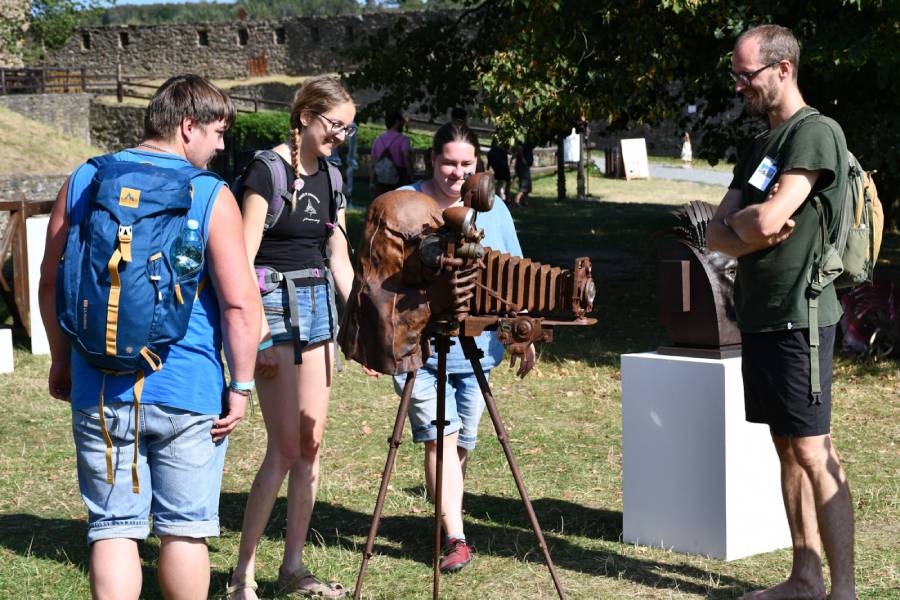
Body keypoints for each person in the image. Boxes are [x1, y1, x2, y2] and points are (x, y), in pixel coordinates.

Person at [38, 74, 261, 600]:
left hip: (99, 380)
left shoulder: (86, 178)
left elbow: (51, 279)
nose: (220, 146)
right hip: (188, 386)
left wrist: (62, 359)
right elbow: (239, 303)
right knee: (184, 530)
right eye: (218, 133)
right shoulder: (210, 193)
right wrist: (241, 385)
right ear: (188, 127)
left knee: (113, 528)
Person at [707, 25, 855, 600]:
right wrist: (748, 224)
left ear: (783, 69)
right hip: (761, 315)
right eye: (737, 75)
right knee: (787, 447)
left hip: (801, 315)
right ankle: (805, 578)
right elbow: (716, 234)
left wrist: (748, 223)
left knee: (815, 451)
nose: (739, 85)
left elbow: (769, 220)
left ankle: (843, 592)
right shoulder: (759, 146)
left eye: (747, 74)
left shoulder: (815, 132)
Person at [226, 76, 358, 600]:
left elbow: (339, 258)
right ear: (305, 116)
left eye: (347, 128)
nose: (340, 136)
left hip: (318, 308)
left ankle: (293, 567)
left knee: (311, 448)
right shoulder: (267, 170)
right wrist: (254, 335)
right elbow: (241, 256)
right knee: (282, 450)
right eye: (335, 125)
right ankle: (242, 575)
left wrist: (362, 320)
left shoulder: (333, 176)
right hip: (271, 308)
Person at [392, 121, 535, 574]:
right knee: (441, 439)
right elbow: (381, 278)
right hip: (418, 348)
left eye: (466, 164)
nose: (457, 173)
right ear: (432, 160)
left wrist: (522, 335)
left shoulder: (493, 209)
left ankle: (446, 520)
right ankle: (456, 537)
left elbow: (514, 275)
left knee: (461, 444)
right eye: (449, 163)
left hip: (476, 349)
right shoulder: (404, 204)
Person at [370, 109, 414, 198]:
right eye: (402, 121)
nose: (403, 124)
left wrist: (371, 183)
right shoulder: (403, 139)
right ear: (397, 122)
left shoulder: (378, 140)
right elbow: (406, 159)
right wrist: (411, 177)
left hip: (381, 181)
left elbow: (373, 163)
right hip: (399, 181)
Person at [512, 142, 533, 207]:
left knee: (527, 186)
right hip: (523, 167)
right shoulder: (523, 142)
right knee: (524, 185)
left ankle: (525, 202)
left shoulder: (528, 142)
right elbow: (519, 148)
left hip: (524, 166)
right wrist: (523, 159)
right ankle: (516, 201)